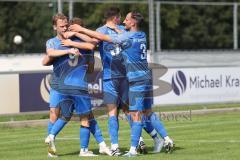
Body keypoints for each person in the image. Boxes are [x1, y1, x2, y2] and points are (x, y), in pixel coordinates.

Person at [69, 11, 174, 157]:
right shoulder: (141, 35)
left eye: (126, 19)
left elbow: (102, 38)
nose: (123, 22)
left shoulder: (126, 35)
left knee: (135, 113)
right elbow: (96, 40)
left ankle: (136, 147)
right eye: (122, 19)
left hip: (133, 79)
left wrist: (79, 31)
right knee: (142, 112)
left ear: (132, 23)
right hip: (140, 77)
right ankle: (155, 140)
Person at [43, 14, 111, 157]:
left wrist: (74, 38)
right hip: (63, 85)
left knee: (69, 116)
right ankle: (87, 148)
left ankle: (53, 137)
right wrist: (67, 50)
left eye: (67, 26)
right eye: (62, 26)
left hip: (70, 85)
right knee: (73, 116)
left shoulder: (76, 42)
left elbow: (92, 45)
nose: (65, 28)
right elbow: (47, 57)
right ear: (55, 27)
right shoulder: (53, 42)